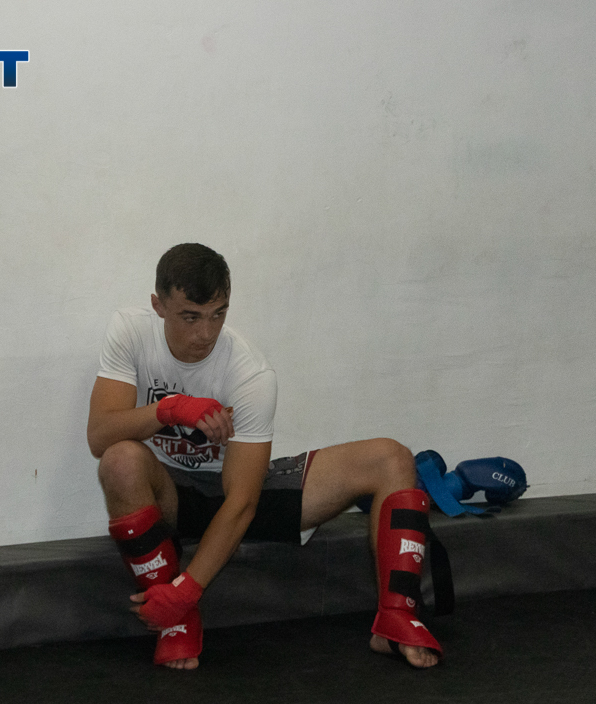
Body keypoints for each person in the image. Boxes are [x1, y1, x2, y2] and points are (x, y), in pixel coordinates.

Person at [87, 243, 442, 670]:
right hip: (169, 494)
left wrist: (186, 591)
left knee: (391, 457)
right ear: (158, 306)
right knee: (120, 460)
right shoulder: (131, 331)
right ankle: (176, 625)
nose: (205, 333)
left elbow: (242, 501)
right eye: (190, 317)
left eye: (218, 314)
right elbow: (99, 436)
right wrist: (171, 408)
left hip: (235, 492)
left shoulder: (249, 373)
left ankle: (396, 618)